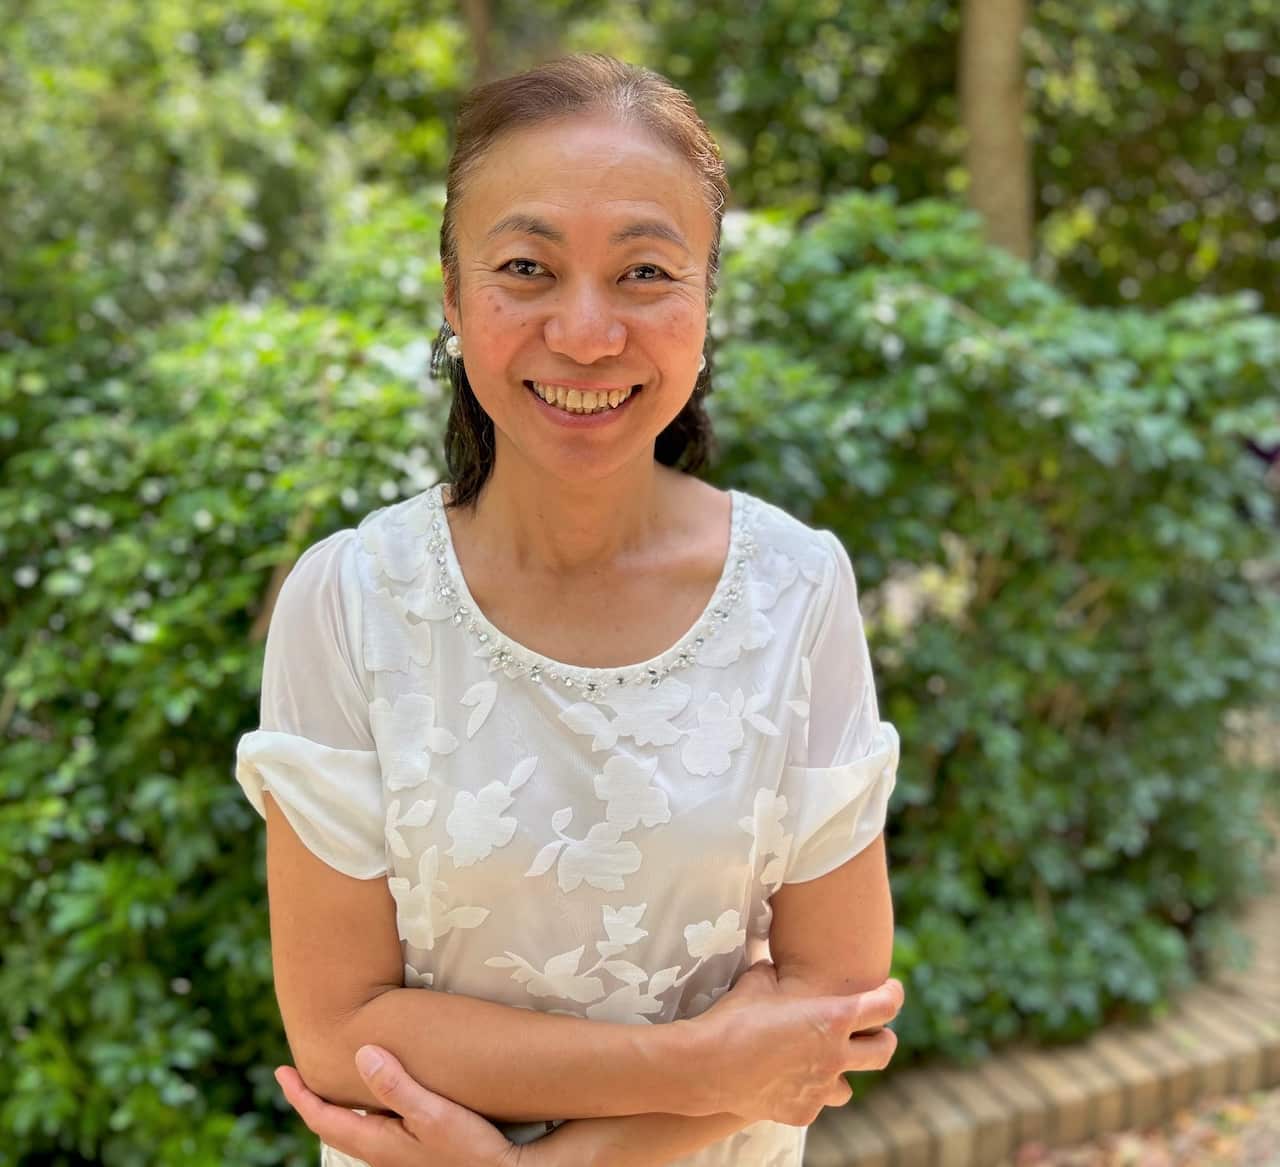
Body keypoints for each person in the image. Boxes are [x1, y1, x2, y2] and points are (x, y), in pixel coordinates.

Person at [235, 51, 904, 1167]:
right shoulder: (351, 601)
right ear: (453, 296)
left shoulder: (794, 586)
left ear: (705, 299)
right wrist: (703, 1067)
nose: (587, 334)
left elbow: (833, 1008)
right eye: (526, 268)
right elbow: (343, 1033)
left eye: (644, 272)